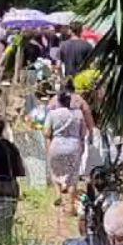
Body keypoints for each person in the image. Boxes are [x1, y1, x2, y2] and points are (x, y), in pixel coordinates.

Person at [44, 88, 85, 220]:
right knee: (72, 177)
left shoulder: (52, 114)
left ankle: (60, 199)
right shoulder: (78, 114)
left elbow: (46, 132)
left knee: (56, 173)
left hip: (57, 145)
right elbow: (83, 133)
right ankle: (71, 207)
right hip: (73, 146)